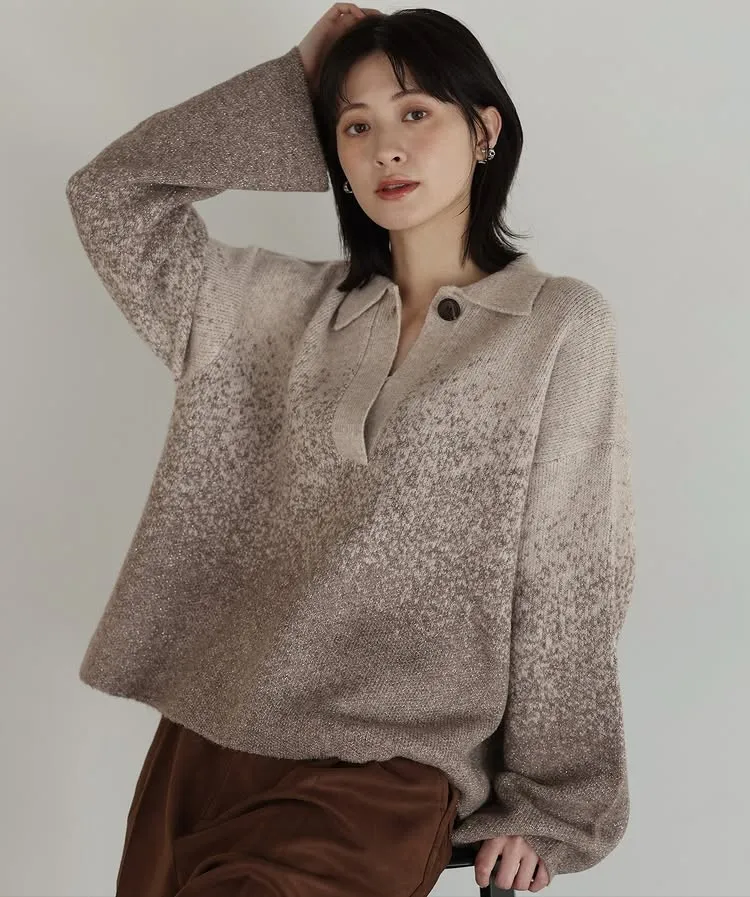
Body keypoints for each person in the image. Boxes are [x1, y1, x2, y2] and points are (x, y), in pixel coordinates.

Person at [65, 5, 637, 895]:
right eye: (355, 126)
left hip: (385, 772)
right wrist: (292, 81)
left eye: (416, 113)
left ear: (484, 130)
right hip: (205, 745)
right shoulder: (271, 309)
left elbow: (569, 570)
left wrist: (552, 802)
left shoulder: (556, 326)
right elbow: (110, 195)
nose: (387, 150)